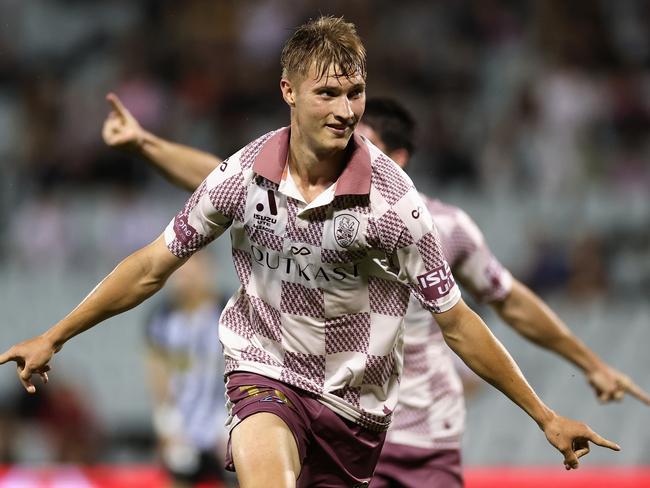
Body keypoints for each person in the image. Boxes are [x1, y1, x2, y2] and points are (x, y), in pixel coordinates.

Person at [1, 16, 620, 488]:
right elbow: (150, 267)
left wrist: (544, 416)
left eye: (355, 92)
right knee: (262, 449)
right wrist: (55, 335)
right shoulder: (243, 174)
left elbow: (458, 322)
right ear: (289, 91)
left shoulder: (393, 203)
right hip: (265, 373)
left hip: (356, 409)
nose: (346, 109)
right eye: (328, 92)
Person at [103, 88, 650, 487]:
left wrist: (589, 364)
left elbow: (511, 303)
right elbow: (219, 178)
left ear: (397, 157)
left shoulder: (441, 228)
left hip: (421, 440)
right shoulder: (299, 200)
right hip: (339, 416)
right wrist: (147, 144)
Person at [145, 251, 231, 487]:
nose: (184, 276)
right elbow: (158, 375)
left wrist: (235, 420)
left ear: (207, 271)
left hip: (223, 420)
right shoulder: (162, 317)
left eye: (192, 269)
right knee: (179, 474)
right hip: (183, 424)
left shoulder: (228, 311)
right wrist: (166, 423)